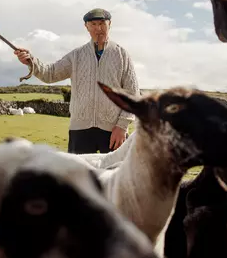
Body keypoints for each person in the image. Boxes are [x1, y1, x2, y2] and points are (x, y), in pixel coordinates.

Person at [14, 8, 139, 154]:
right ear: (86, 27)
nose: (98, 28)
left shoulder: (121, 55)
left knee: (115, 175)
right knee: (78, 175)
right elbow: (50, 74)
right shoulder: (76, 56)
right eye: (93, 24)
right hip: (80, 131)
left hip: (113, 131)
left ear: (109, 24)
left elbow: (132, 93)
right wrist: (31, 61)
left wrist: (122, 126)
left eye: (102, 23)